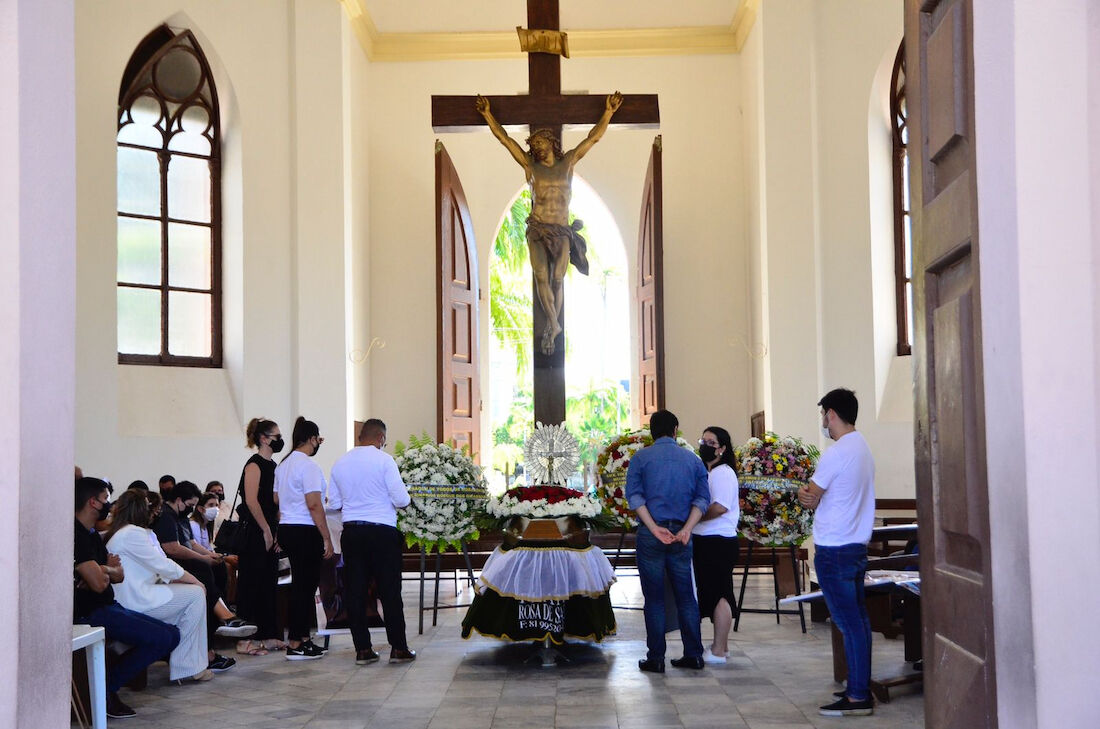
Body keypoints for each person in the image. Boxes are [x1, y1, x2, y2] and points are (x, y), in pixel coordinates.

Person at [475, 91, 622, 354]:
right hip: (538, 229)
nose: (536, 147)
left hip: (562, 231)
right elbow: (505, 140)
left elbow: (594, 138)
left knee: (557, 278)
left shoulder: (567, 163)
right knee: (541, 274)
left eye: (540, 142)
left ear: (551, 143)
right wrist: (488, 114)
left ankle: (554, 325)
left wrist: (608, 113)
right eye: (534, 145)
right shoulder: (531, 167)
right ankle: (553, 325)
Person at [798, 388, 877, 717]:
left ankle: (858, 695)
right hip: (856, 545)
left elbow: (811, 498)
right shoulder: (862, 448)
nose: (823, 422)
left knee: (849, 623)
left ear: (831, 414)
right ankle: (858, 684)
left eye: (823, 416)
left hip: (835, 550)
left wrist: (802, 491)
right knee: (858, 619)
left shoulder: (837, 451)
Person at [74, 477, 180, 718]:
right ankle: (106, 689)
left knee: (172, 634)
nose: (109, 505)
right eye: (106, 499)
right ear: (93, 502)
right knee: (160, 638)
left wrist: (104, 570)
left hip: (109, 605)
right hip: (91, 612)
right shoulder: (76, 536)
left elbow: (118, 575)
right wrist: (105, 571)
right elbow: (100, 583)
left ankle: (107, 684)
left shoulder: (91, 535)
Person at [625, 409, 711, 673]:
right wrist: (686, 529)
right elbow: (702, 500)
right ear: (676, 431)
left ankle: (656, 658)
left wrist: (653, 528)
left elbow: (635, 498)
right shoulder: (692, 460)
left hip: (652, 535)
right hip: (681, 537)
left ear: (651, 432)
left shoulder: (640, 458)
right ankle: (694, 654)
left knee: (654, 599)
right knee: (686, 596)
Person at [329, 418, 415, 665]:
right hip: (382, 533)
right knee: (389, 591)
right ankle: (398, 648)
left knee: (355, 591)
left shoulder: (340, 462)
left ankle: (363, 650)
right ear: (380, 438)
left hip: (352, 533)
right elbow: (401, 499)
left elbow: (334, 504)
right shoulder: (384, 460)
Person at [105, 490, 214, 683]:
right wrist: (195, 581)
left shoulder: (122, 531)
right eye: (150, 508)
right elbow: (163, 565)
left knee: (192, 597)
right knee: (196, 594)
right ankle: (188, 666)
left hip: (136, 593)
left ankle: (188, 663)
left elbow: (154, 569)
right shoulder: (132, 533)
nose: (154, 513)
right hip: (135, 599)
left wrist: (181, 580)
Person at [154, 480, 254, 663]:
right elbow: (172, 548)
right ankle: (223, 615)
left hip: (184, 561)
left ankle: (221, 610)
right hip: (170, 566)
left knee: (220, 567)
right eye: (190, 505)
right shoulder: (167, 516)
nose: (191, 509)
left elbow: (191, 544)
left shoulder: (181, 516)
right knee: (203, 568)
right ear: (178, 500)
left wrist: (212, 555)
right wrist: (203, 559)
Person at [275, 416, 335, 660]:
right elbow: (313, 504)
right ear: (312, 439)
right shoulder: (308, 466)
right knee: (305, 587)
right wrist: (327, 537)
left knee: (300, 586)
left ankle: (303, 639)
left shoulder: (283, 464)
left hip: (288, 528)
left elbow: (277, 500)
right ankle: (296, 642)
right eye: (318, 439)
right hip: (305, 529)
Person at [235, 417, 284, 655]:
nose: (279, 440)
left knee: (268, 584)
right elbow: (251, 501)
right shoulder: (253, 464)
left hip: (270, 530)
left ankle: (270, 635)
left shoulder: (274, 466)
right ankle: (244, 640)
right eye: (276, 436)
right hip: (255, 532)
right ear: (264, 439)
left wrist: (276, 530)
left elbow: (274, 501)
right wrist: (265, 529)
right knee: (250, 585)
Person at [691, 426, 741, 663]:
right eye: (703, 440)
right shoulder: (708, 472)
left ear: (722, 448)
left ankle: (719, 650)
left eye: (711, 442)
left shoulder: (723, 472)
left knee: (720, 594)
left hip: (717, 541)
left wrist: (694, 518)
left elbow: (720, 506)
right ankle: (721, 646)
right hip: (706, 539)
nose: (705, 445)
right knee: (712, 593)